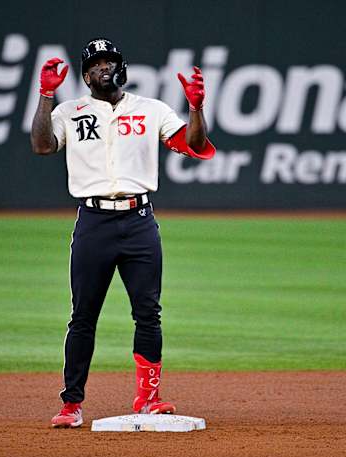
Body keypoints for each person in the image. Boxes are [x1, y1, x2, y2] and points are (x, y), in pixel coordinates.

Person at [31, 38, 216, 428]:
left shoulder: (151, 110)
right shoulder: (70, 111)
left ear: (121, 67)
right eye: (94, 64)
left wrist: (196, 107)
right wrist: (46, 94)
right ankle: (71, 404)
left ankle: (148, 398)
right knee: (82, 316)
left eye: (108, 61)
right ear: (83, 76)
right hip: (93, 222)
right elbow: (42, 145)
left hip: (139, 221)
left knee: (148, 314)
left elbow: (193, 143)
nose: (102, 68)